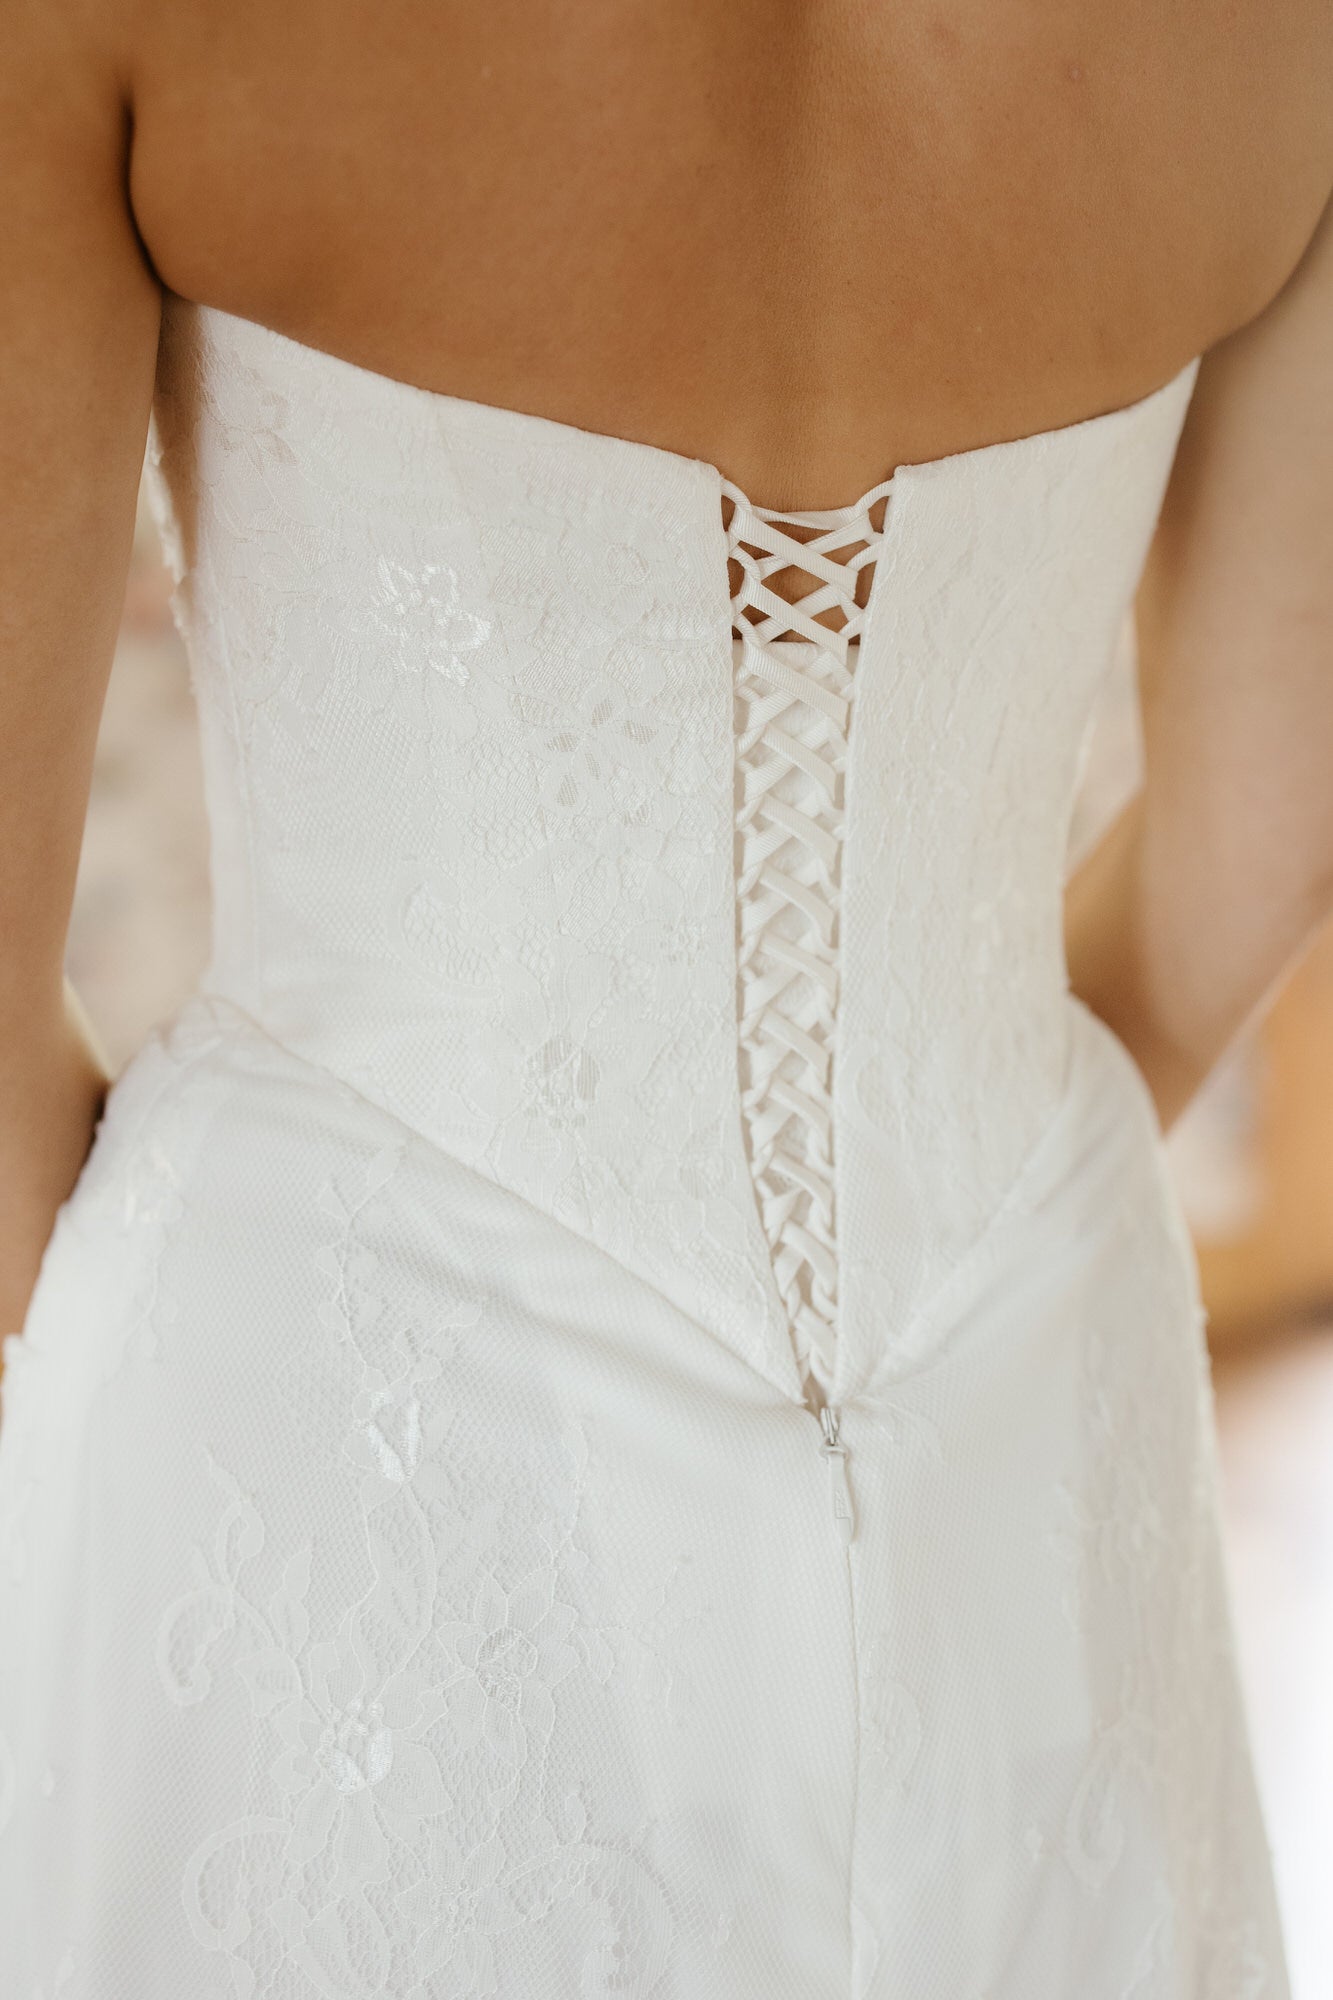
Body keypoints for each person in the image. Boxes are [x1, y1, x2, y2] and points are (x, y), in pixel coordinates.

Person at [2, 2, 1331, 1992]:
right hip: (1028, 1424)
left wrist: (221, 1292)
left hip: (325, 1463)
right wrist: (965, 1162)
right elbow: (1262, 850)